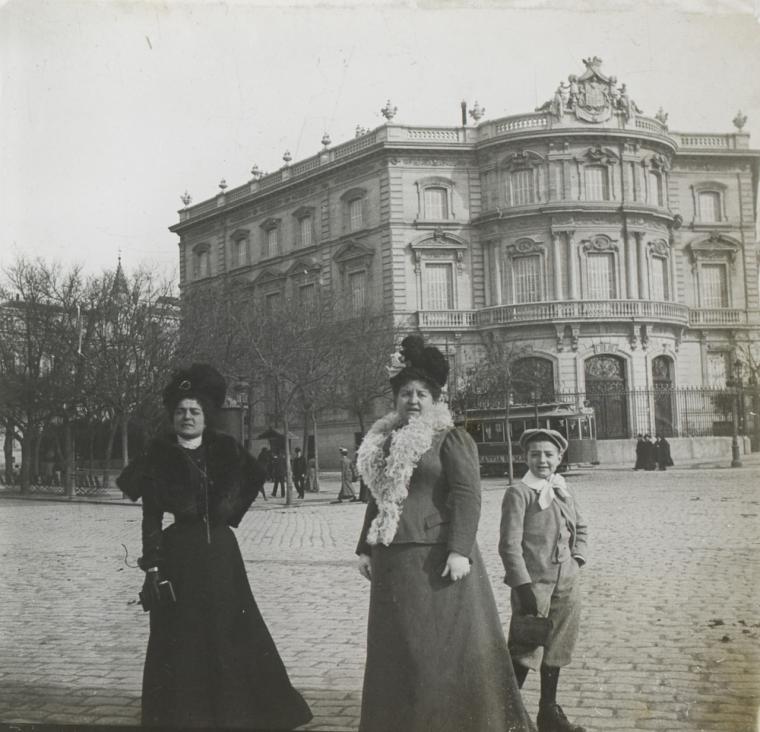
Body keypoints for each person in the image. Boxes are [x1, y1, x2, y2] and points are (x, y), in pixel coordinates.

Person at [117, 364, 312, 730]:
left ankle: (234, 708)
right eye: (181, 411)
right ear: (172, 416)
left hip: (221, 554)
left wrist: (227, 509)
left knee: (229, 629)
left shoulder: (225, 449)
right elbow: (151, 519)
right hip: (179, 556)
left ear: (206, 416)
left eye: (194, 411)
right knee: (181, 636)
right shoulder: (158, 455)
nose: (187, 417)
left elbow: (253, 476)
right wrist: (153, 567)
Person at [355, 335, 533, 732]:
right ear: (395, 399)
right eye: (405, 394)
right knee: (400, 648)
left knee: (442, 648)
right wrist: (364, 548)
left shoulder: (451, 439)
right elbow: (379, 497)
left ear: (434, 399)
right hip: (394, 562)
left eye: (421, 394)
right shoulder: (382, 443)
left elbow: (468, 497)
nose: (413, 401)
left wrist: (459, 551)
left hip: (439, 559)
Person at [499, 428, 588, 732]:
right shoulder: (518, 493)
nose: (542, 460)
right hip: (533, 587)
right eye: (535, 454)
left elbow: (582, 530)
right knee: (524, 651)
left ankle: (548, 712)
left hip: (566, 584)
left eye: (549, 454)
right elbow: (509, 546)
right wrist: (523, 587)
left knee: (558, 648)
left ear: (559, 457)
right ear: (524, 457)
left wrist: (576, 562)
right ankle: (505, 716)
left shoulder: (562, 489)